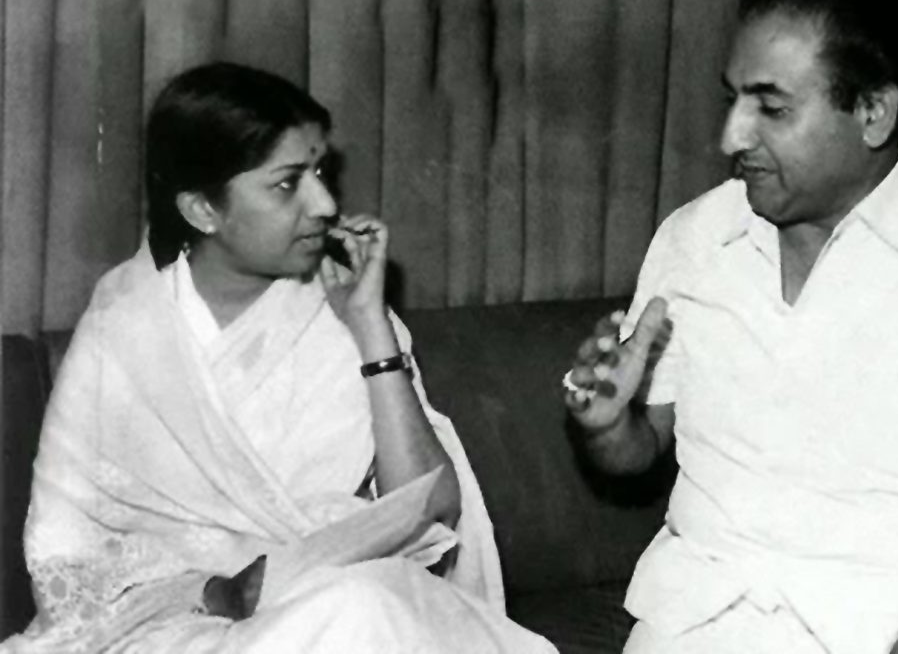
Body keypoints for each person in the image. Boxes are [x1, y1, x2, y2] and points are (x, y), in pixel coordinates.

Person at [563, 0, 898, 654]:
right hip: (703, 627)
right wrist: (605, 427)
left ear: (873, 112)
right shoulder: (693, 238)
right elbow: (638, 453)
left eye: (772, 109)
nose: (733, 137)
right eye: (733, 101)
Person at [2, 62, 555, 653]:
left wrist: (371, 328)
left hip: (338, 599)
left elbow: (431, 508)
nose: (325, 203)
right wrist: (215, 590)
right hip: (173, 629)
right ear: (203, 210)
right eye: (288, 184)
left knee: (360, 606)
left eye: (319, 172)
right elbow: (70, 554)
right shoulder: (125, 329)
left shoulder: (344, 309)